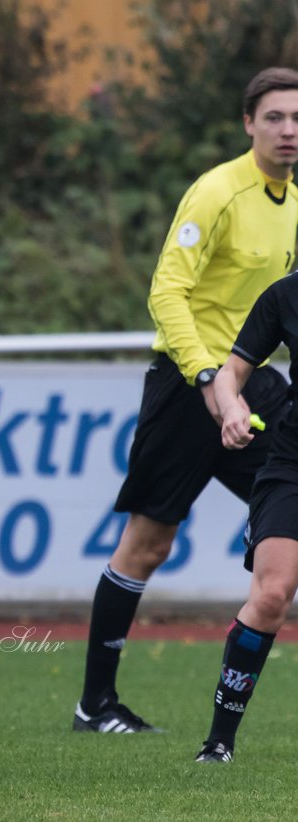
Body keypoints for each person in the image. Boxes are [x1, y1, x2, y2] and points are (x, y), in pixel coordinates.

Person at [74, 67, 298, 734]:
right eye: (275, 118)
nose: (289, 130)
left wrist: (239, 382)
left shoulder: (292, 199)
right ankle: (96, 705)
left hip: (254, 383)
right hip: (187, 382)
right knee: (148, 542)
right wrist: (208, 380)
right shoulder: (217, 193)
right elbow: (167, 293)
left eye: (297, 119)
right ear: (247, 124)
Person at [196, 264, 298, 762]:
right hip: (293, 463)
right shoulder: (285, 295)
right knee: (272, 593)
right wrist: (232, 406)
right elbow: (231, 372)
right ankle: (219, 742)